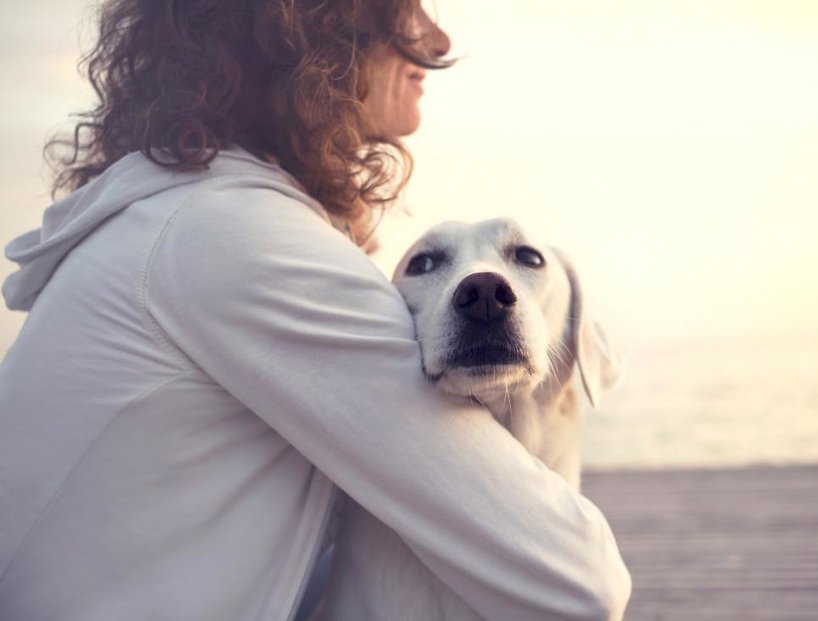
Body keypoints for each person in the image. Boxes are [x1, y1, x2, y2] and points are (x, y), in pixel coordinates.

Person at [0, 1, 631, 619]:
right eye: (406, 7)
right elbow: (581, 578)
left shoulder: (175, 214)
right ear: (308, 25)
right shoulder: (236, 235)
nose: (436, 42)